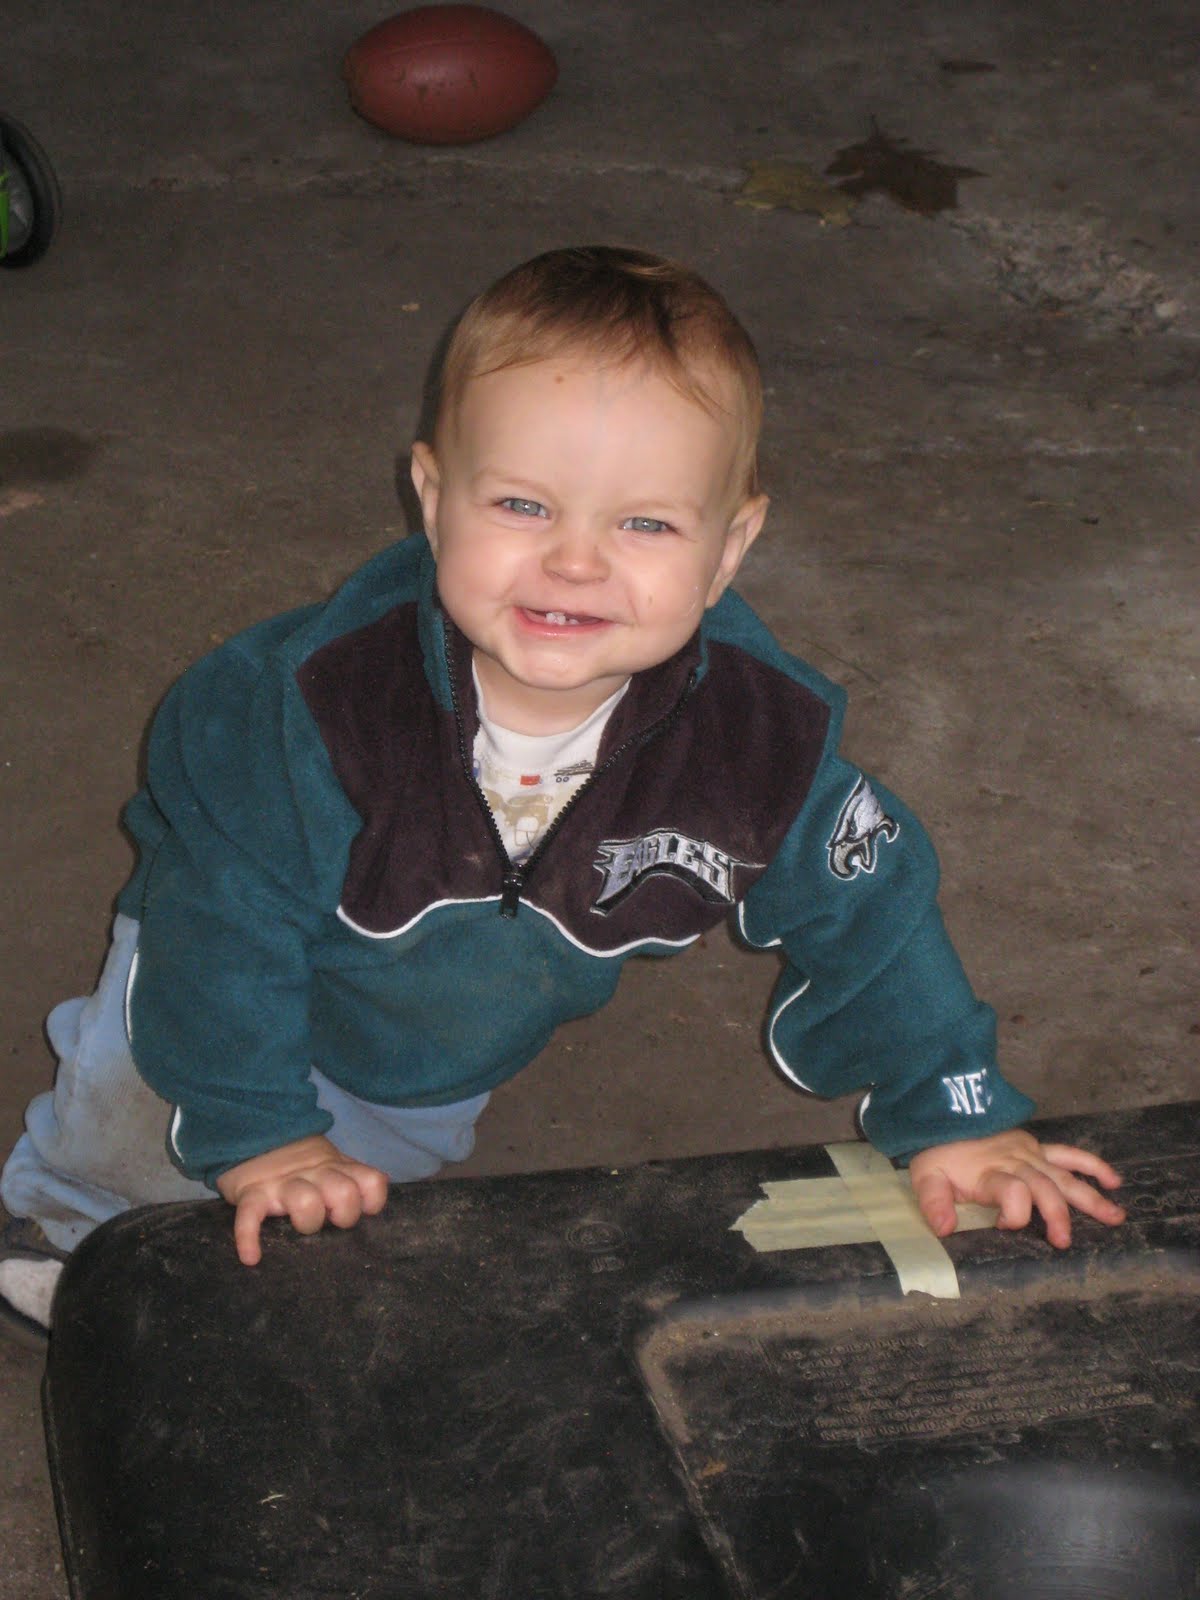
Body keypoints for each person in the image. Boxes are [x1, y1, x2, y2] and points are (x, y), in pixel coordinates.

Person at [0, 246, 1124, 1343]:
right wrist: (259, 1134)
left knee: (346, 1186)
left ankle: (287, 1174)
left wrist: (954, 1112)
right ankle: (58, 1221)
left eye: (646, 522)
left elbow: (873, 912)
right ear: (432, 497)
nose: (577, 562)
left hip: (446, 1040)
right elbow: (221, 930)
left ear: (730, 548)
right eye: (524, 506)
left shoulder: (755, 742)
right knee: (145, 1124)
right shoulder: (297, 707)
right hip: (222, 965)